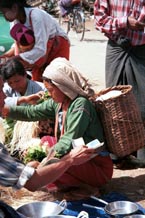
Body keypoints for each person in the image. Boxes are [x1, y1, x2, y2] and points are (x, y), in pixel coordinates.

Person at [2, 57, 113, 195]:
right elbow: (32, 112)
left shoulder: (80, 105)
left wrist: (43, 165)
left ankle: (87, 186)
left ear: (63, 87)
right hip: (81, 161)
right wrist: (6, 110)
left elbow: (67, 141)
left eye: (51, 90)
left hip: (97, 167)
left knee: (60, 162)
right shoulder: (59, 102)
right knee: (47, 142)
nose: (48, 94)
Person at [94, 0, 145, 166]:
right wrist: (124, 22)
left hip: (141, 49)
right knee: (112, 103)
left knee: (142, 105)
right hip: (116, 47)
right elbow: (99, 21)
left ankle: (141, 156)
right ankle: (118, 153)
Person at [0, 0, 70, 82]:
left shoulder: (36, 16)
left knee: (57, 79)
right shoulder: (15, 22)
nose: (4, 16)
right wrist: (6, 56)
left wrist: (15, 58)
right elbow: (17, 46)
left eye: (4, 12)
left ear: (14, 8)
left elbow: (40, 49)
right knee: (38, 81)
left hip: (57, 46)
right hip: (40, 52)